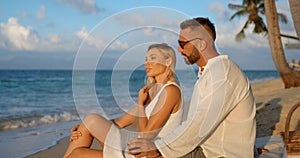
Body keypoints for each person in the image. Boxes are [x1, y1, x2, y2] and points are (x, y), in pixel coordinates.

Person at [128, 17, 256, 158]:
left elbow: (200, 123)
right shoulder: (209, 72)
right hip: (207, 149)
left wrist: (158, 148)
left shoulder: (222, 73)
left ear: (201, 44)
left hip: (216, 154)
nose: (179, 49)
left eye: (182, 44)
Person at [64, 43, 184, 158]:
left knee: (78, 153)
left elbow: (146, 136)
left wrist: (141, 104)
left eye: (153, 58)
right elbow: (120, 122)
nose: (147, 63)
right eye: (146, 59)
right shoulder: (151, 91)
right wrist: (84, 128)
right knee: (89, 124)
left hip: (148, 153)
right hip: (137, 147)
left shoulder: (171, 90)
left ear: (168, 61)